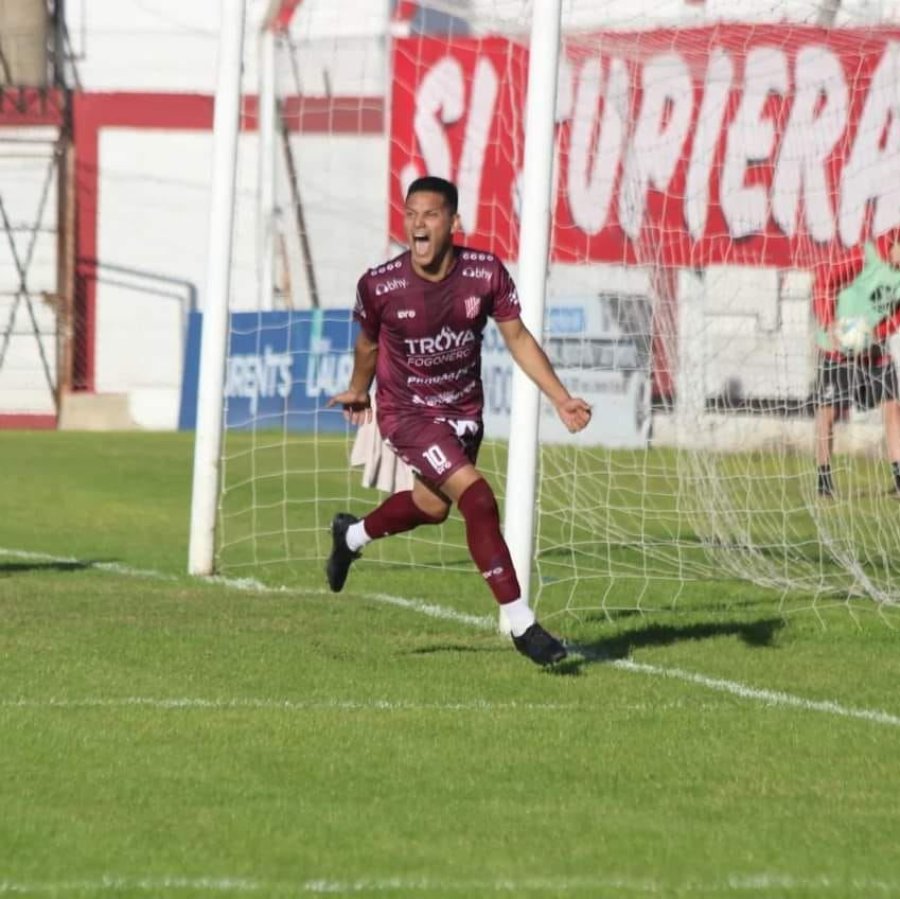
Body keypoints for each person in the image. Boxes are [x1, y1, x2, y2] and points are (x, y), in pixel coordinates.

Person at [325, 175, 592, 666]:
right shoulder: (380, 284)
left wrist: (560, 397)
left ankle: (350, 536)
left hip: (463, 414)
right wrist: (360, 389)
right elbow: (366, 344)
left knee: (432, 507)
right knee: (478, 498)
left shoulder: (485, 273)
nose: (417, 224)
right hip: (407, 414)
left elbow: (517, 338)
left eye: (429, 214)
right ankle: (522, 624)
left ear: (453, 223)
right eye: (410, 214)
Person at [813, 231, 900, 498]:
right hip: (837, 347)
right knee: (828, 413)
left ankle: (899, 479)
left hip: (874, 348)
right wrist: (830, 324)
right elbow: (825, 283)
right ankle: (824, 481)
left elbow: (897, 315)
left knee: (893, 408)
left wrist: (877, 334)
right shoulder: (867, 253)